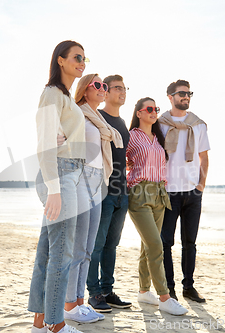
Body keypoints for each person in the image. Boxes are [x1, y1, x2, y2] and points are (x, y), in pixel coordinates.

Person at [28, 40, 89, 333]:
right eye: (77, 57)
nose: (82, 62)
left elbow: (55, 135)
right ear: (60, 60)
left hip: (68, 173)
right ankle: (56, 323)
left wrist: (62, 136)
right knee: (62, 253)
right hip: (61, 176)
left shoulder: (63, 96)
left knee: (47, 252)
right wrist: (54, 188)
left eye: (84, 58)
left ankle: (40, 321)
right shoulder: (52, 93)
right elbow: (44, 143)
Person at [63, 74, 123, 323]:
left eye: (104, 86)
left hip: (100, 180)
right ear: (84, 89)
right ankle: (69, 305)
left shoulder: (99, 119)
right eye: (97, 85)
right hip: (80, 178)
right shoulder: (77, 113)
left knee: (88, 248)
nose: (102, 89)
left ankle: (80, 303)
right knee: (78, 247)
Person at [126, 97, 188, 316]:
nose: (154, 112)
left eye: (156, 109)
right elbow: (119, 160)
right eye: (149, 109)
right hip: (139, 193)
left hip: (160, 194)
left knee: (147, 246)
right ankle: (164, 296)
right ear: (139, 113)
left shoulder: (157, 137)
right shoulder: (131, 136)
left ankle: (144, 291)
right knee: (156, 245)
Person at [158, 79, 210, 303]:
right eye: (181, 93)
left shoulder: (198, 124)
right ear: (170, 96)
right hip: (168, 191)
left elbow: (204, 156)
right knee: (165, 243)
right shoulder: (160, 124)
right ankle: (169, 289)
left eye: (189, 93)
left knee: (190, 243)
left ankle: (188, 286)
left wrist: (201, 185)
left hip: (192, 192)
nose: (186, 97)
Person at [86, 75, 132, 312]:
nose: (122, 92)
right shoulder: (97, 117)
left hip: (121, 192)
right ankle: (93, 293)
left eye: (125, 88)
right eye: (117, 88)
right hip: (103, 190)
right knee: (97, 244)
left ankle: (107, 290)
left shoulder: (122, 122)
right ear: (106, 90)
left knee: (111, 245)